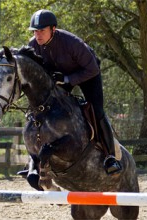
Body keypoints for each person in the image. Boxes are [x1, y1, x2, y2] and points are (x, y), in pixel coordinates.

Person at [27, 9, 121, 175]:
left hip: (88, 74)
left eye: (42, 30)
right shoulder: (33, 46)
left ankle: (110, 157)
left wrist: (68, 79)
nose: (38, 35)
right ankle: (34, 160)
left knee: (97, 110)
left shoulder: (72, 43)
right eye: (35, 31)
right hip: (60, 78)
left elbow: (92, 69)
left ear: (53, 29)